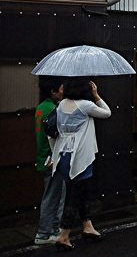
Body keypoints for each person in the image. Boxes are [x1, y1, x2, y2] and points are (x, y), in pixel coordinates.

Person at [52, 78, 111, 251]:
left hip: (63, 155)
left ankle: (88, 226)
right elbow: (107, 113)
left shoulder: (62, 104)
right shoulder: (85, 105)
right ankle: (64, 235)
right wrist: (96, 94)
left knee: (81, 191)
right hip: (79, 157)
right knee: (74, 195)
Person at [34, 77, 66, 246]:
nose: (63, 91)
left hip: (43, 157)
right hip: (51, 159)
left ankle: (51, 229)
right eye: (60, 89)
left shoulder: (41, 108)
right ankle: (45, 232)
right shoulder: (53, 110)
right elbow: (56, 136)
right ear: (53, 91)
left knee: (53, 195)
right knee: (53, 196)